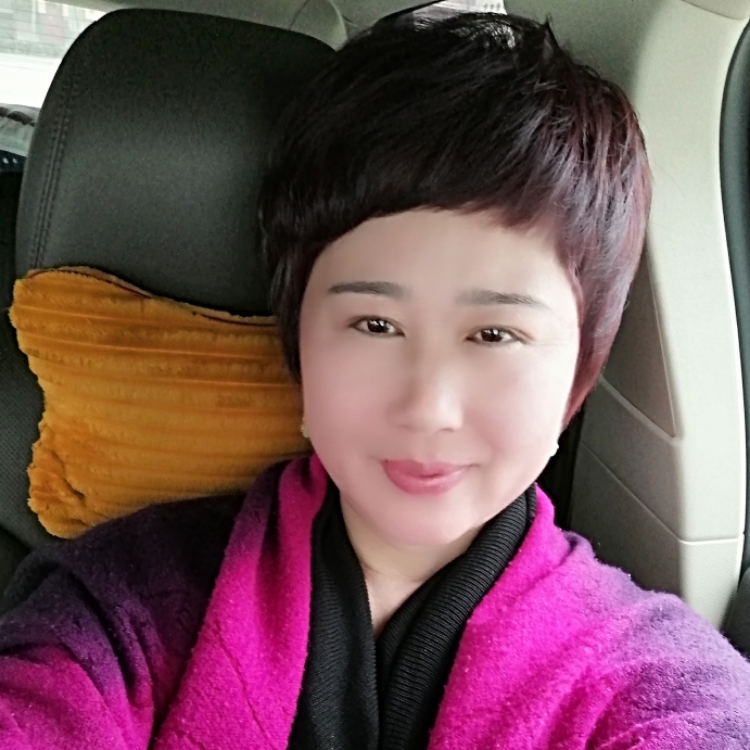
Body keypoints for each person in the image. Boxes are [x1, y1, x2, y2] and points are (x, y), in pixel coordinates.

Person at [1, 11, 750, 750]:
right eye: (374, 324)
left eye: (495, 334)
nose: (429, 407)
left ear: (577, 382)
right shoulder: (123, 602)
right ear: (298, 346)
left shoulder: (650, 680)